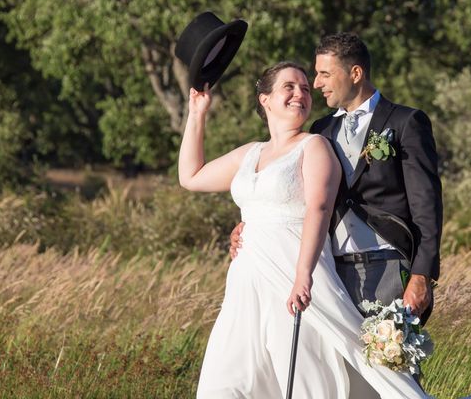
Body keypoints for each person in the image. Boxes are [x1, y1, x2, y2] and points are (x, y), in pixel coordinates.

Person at [181, 62, 431, 398]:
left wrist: (304, 275)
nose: (301, 93)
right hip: (246, 283)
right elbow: (191, 177)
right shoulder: (249, 153)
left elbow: (319, 208)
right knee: (225, 380)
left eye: (304, 88)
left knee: (299, 376)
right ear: (265, 99)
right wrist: (197, 113)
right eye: (289, 86)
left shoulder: (314, 145)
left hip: (293, 278)